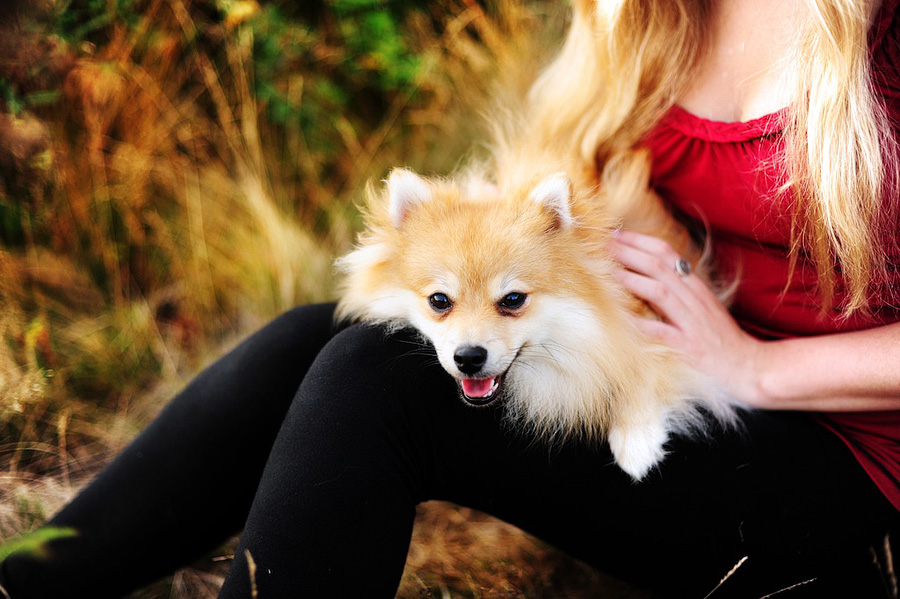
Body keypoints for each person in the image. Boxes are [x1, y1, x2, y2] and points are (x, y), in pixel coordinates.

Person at [2, 0, 900, 597]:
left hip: (850, 473)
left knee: (380, 380)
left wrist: (756, 367)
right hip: (681, 381)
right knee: (318, 340)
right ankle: (28, 580)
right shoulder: (644, 10)